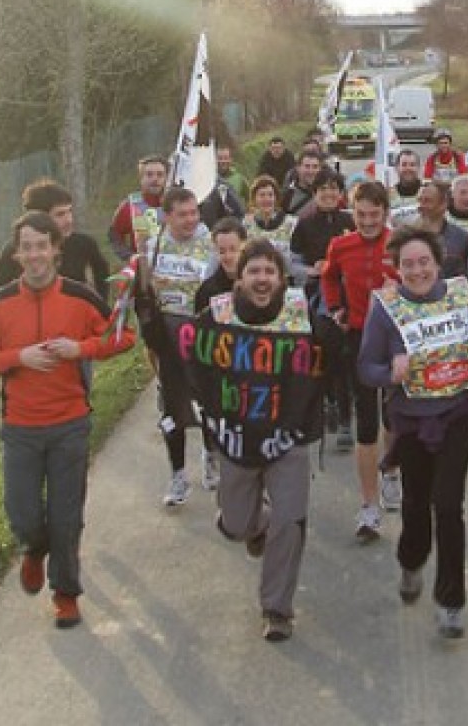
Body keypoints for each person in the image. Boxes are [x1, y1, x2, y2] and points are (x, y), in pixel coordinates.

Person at [0, 211, 135, 628]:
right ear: (16, 254)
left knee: (66, 516)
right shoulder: (1, 301)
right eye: (26, 247)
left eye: (41, 245)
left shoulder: (81, 297)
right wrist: (18, 358)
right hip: (20, 428)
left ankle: (65, 593)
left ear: (55, 250)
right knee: (21, 512)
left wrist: (80, 349)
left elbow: (122, 337)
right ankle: (33, 547)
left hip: (70, 425)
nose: (34, 254)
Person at [358, 225, 468, 641]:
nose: (417, 271)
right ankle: (411, 559)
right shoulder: (385, 309)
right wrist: (389, 373)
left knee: (449, 504)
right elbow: (366, 367)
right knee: (417, 502)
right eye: (408, 265)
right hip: (412, 417)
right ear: (396, 269)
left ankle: (451, 601)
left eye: (424, 263)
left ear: (438, 263)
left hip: (458, 411)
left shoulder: (460, 294)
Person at [189, 238, 323, 643]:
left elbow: (334, 354)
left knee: (290, 521)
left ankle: (277, 608)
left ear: (282, 279)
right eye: (254, 271)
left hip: (288, 438)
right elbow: (188, 357)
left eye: (269, 272)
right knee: (235, 525)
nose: (262, 279)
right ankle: (254, 526)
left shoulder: (303, 317)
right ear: (239, 277)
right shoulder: (216, 316)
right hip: (237, 440)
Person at [321, 180, 398, 538]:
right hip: (358, 338)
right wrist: (336, 307)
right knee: (366, 422)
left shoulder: (399, 243)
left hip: (397, 342)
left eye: (375, 215)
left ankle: (391, 472)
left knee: (394, 417)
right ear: (352, 213)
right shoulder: (341, 245)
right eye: (361, 214)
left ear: (386, 213)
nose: (368, 222)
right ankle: (368, 507)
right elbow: (328, 279)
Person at [136, 185, 214, 507]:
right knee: (172, 410)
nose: (189, 220)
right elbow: (142, 293)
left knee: (209, 404)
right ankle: (178, 475)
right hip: (168, 340)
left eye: (194, 212)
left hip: (201, 338)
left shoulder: (210, 245)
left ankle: (211, 455)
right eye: (182, 214)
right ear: (167, 216)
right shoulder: (153, 247)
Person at [289, 167, 355, 449]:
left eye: (334, 189)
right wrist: (311, 271)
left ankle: (344, 418)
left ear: (341, 194)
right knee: (325, 351)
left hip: (352, 296)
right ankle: (328, 402)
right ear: (314, 193)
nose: (329, 193)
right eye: (323, 189)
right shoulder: (304, 224)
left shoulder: (351, 220)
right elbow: (292, 264)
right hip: (318, 297)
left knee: (346, 356)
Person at [193, 217, 248, 491]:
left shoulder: (260, 279)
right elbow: (199, 335)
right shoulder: (208, 289)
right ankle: (210, 453)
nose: (228, 256)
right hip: (219, 364)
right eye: (222, 250)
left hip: (252, 365)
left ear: (245, 247)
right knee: (214, 414)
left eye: (233, 249)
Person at [0, 180, 111, 302]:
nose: (69, 220)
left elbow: (102, 272)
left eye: (70, 211)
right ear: (40, 217)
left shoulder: (83, 243)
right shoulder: (15, 250)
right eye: (60, 214)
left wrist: (100, 304)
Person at [108, 155, 167, 263]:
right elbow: (115, 237)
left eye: (160, 175)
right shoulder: (129, 206)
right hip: (142, 271)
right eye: (149, 175)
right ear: (141, 178)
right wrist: (129, 256)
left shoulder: (176, 204)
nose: (155, 179)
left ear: (166, 178)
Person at [417, 180, 468, 279]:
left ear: (443, 204)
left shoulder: (464, 239)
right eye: (419, 200)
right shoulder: (406, 237)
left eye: (427, 201)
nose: (421, 206)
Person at [281, 148, 323, 216]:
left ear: (320, 169)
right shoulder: (287, 197)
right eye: (307, 166)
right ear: (298, 168)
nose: (311, 171)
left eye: (315, 167)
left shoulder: (328, 194)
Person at [389, 149, 423, 227]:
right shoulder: (387, 195)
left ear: (418, 168)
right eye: (404, 165)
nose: (408, 168)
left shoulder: (429, 192)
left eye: (412, 165)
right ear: (397, 168)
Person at [215, 145, 249, 210]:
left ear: (231, 160)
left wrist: (248, 212)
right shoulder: (209, 179)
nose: (223, 161)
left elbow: (250, 198)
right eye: (220, 158)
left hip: (235, 218)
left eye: (225, 158)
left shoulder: (239, 179)